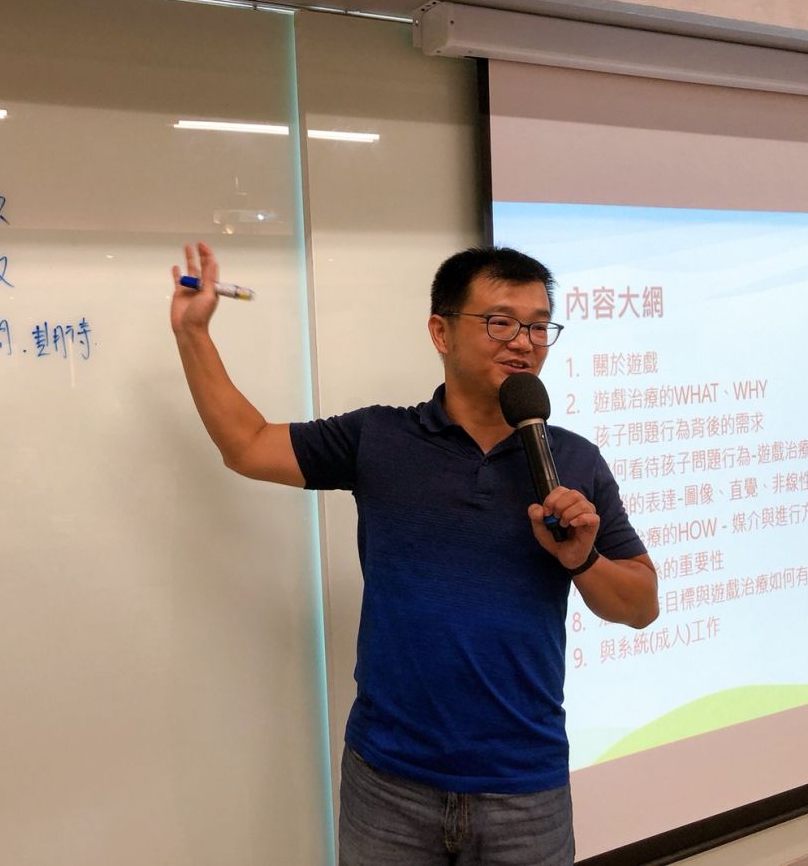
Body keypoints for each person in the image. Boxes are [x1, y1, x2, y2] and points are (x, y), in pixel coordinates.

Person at [171, 241, 658, 866]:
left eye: (539, 327)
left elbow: (640, 606)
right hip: (388, 782)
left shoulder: (574, 460)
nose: (524, 343)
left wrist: (583, 560)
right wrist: (193, 334)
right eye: (501, 322)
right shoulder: (380, 438)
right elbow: (248, 444)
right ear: (440, 332)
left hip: (524, 787)